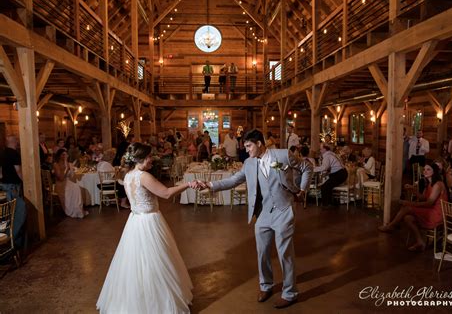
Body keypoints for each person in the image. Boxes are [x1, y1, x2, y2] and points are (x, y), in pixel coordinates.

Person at [198, 129, 312, 309]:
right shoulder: (249, 163)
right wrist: (210, 184)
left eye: (249, 146)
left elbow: (307, 167)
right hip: (263, 213)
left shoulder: (282, 155)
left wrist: (303, 190)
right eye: (245, 146)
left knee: (285, 253)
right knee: (262, 252)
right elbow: (233, 180)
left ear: (259, 143)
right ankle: (266, 286)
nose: (246, 150)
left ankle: (290, 293)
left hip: (283, 209)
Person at [97, 142, 198, 313]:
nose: (152, 159)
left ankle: (140, 294)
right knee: (155, 260)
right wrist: (188, 184)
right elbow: (166, 193)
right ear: (142, 158)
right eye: (150, 156)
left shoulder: (129, 175)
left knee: (136, 262)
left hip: (135, 221)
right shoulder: (143, 176)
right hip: (149, 222)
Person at [378, 163, 447, 252]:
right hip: (430, 210)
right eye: (424, 169)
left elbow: (429, 203)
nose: (425, 171)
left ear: (434, 172)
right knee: (408, 218)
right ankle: (420, 242)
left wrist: (409, 203)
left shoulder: (438, 185)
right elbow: (423, 197)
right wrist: (412, 189)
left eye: (428, 169)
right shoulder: (430, 183)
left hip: (436, 213)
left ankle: (391, 226)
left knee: (407, 208)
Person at [52, 149, 87, 218]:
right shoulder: (56, 165)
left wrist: (72, 168)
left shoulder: (69, 164)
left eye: (66, 154)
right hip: (61, 184)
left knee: (77, 187)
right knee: (75, 188)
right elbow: (61, 178)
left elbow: (72, 176)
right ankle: (70, 210)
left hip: (68, 181)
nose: (65, 156)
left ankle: (78, 209)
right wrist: (67, 168)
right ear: (59, 156)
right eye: (63, 155)